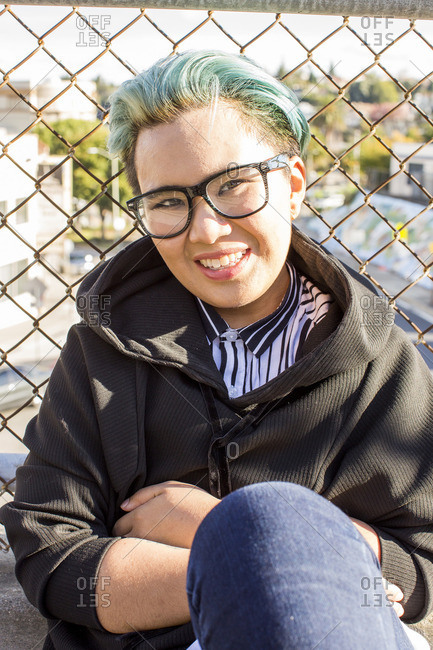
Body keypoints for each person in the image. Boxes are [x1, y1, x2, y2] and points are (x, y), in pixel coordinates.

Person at [1, 50, 433, 650]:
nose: (206, 231)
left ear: (294, 184)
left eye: (233, 185)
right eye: (169, 202)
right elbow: (49, 550)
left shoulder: (381, 364)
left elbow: (421, 564)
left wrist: (221, 533)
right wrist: (265, 569)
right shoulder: (102, 356)